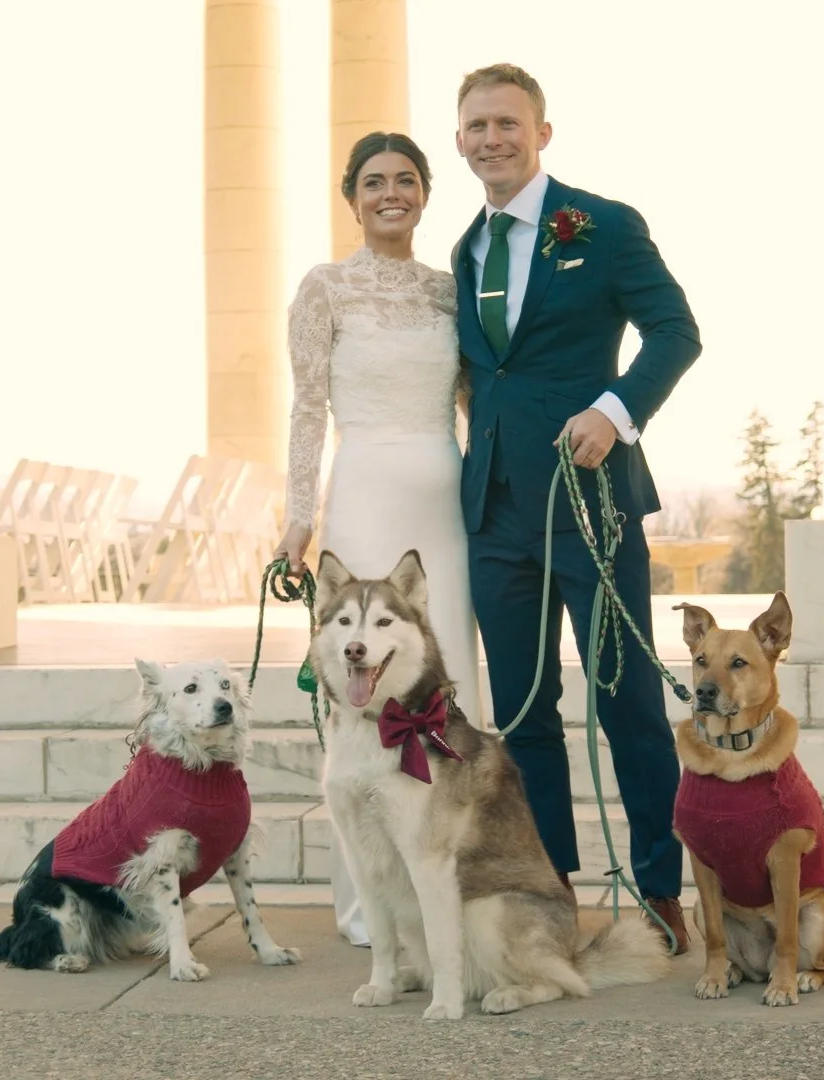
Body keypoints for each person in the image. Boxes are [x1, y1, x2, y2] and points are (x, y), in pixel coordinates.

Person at [450, 63, 701, 955]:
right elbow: (489, 376)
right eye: (476, 126)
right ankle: (550, 890)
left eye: (508, 124)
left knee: (626, 696)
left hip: (590, 504)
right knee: (522, 713)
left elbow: (677, 330)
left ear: (542, 132)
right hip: (494, 517)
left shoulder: (603, 225)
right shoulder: (466, 249)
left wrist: (614, 411)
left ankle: (661, 887)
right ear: (460, 141)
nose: (493, 139)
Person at [274, 132, 486, 947]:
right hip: (360, 494)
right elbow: (306, 409)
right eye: (373, 182)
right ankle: (371, 908)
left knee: (449, 683)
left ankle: (451, 886)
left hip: (444, 504)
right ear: (351, 196)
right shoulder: (324, 288)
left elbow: (477, 401)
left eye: (405, 180)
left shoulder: (446, 292)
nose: (389, 193)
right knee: (360, 687)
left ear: (426, 193)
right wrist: (299, 516)